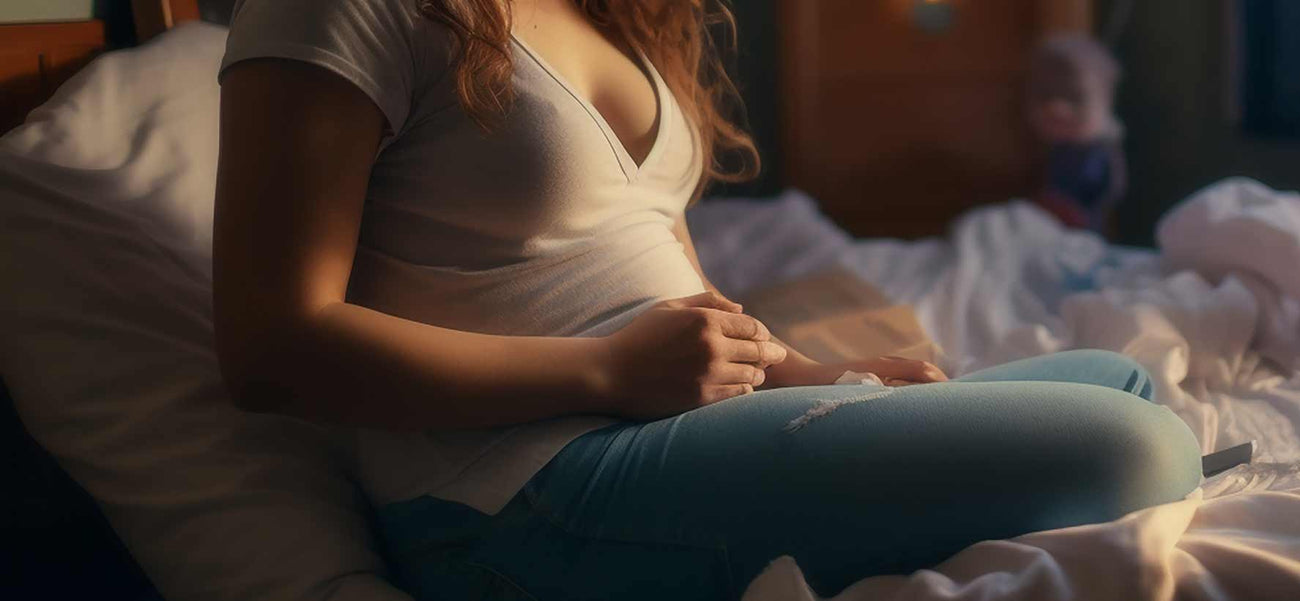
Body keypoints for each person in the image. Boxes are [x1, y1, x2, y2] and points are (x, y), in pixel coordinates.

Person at [212, 0, 1203, 598]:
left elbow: (673, 282)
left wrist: (819, 374)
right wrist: (605, 368)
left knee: (1124, 383)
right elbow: (271, 343)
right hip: (517, 494)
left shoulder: (619, 12)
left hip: (665, 430)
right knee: (1134, 447)